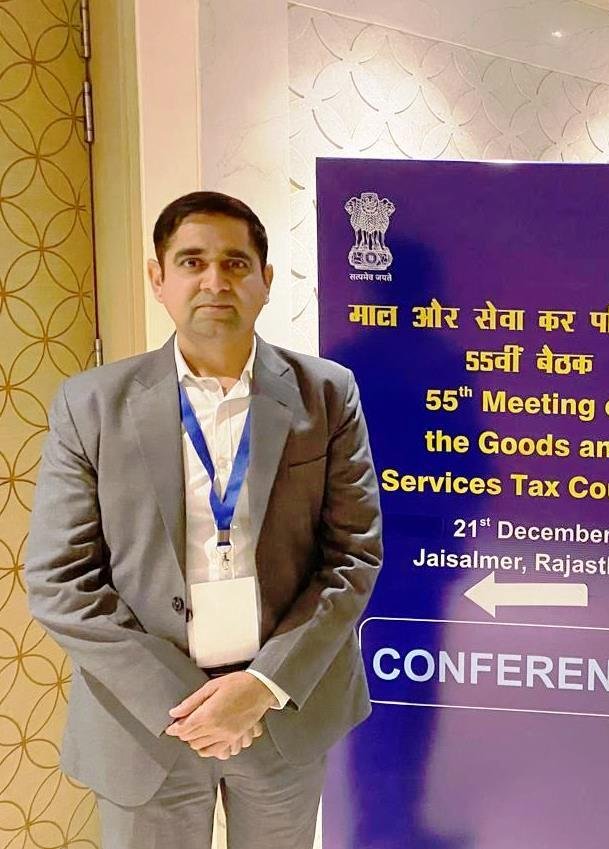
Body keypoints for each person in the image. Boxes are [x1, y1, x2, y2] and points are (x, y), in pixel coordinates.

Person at [25, 191, 383, 848]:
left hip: (281, 709)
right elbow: (59, 580)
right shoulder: (91, 404)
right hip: (145, 723)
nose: (215, 281)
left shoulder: (327, 394)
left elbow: (352, 556)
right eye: (191, 262)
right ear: (158, 278)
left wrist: (263, 684)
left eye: (235, 263)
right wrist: (188, 703)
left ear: (265, 281)